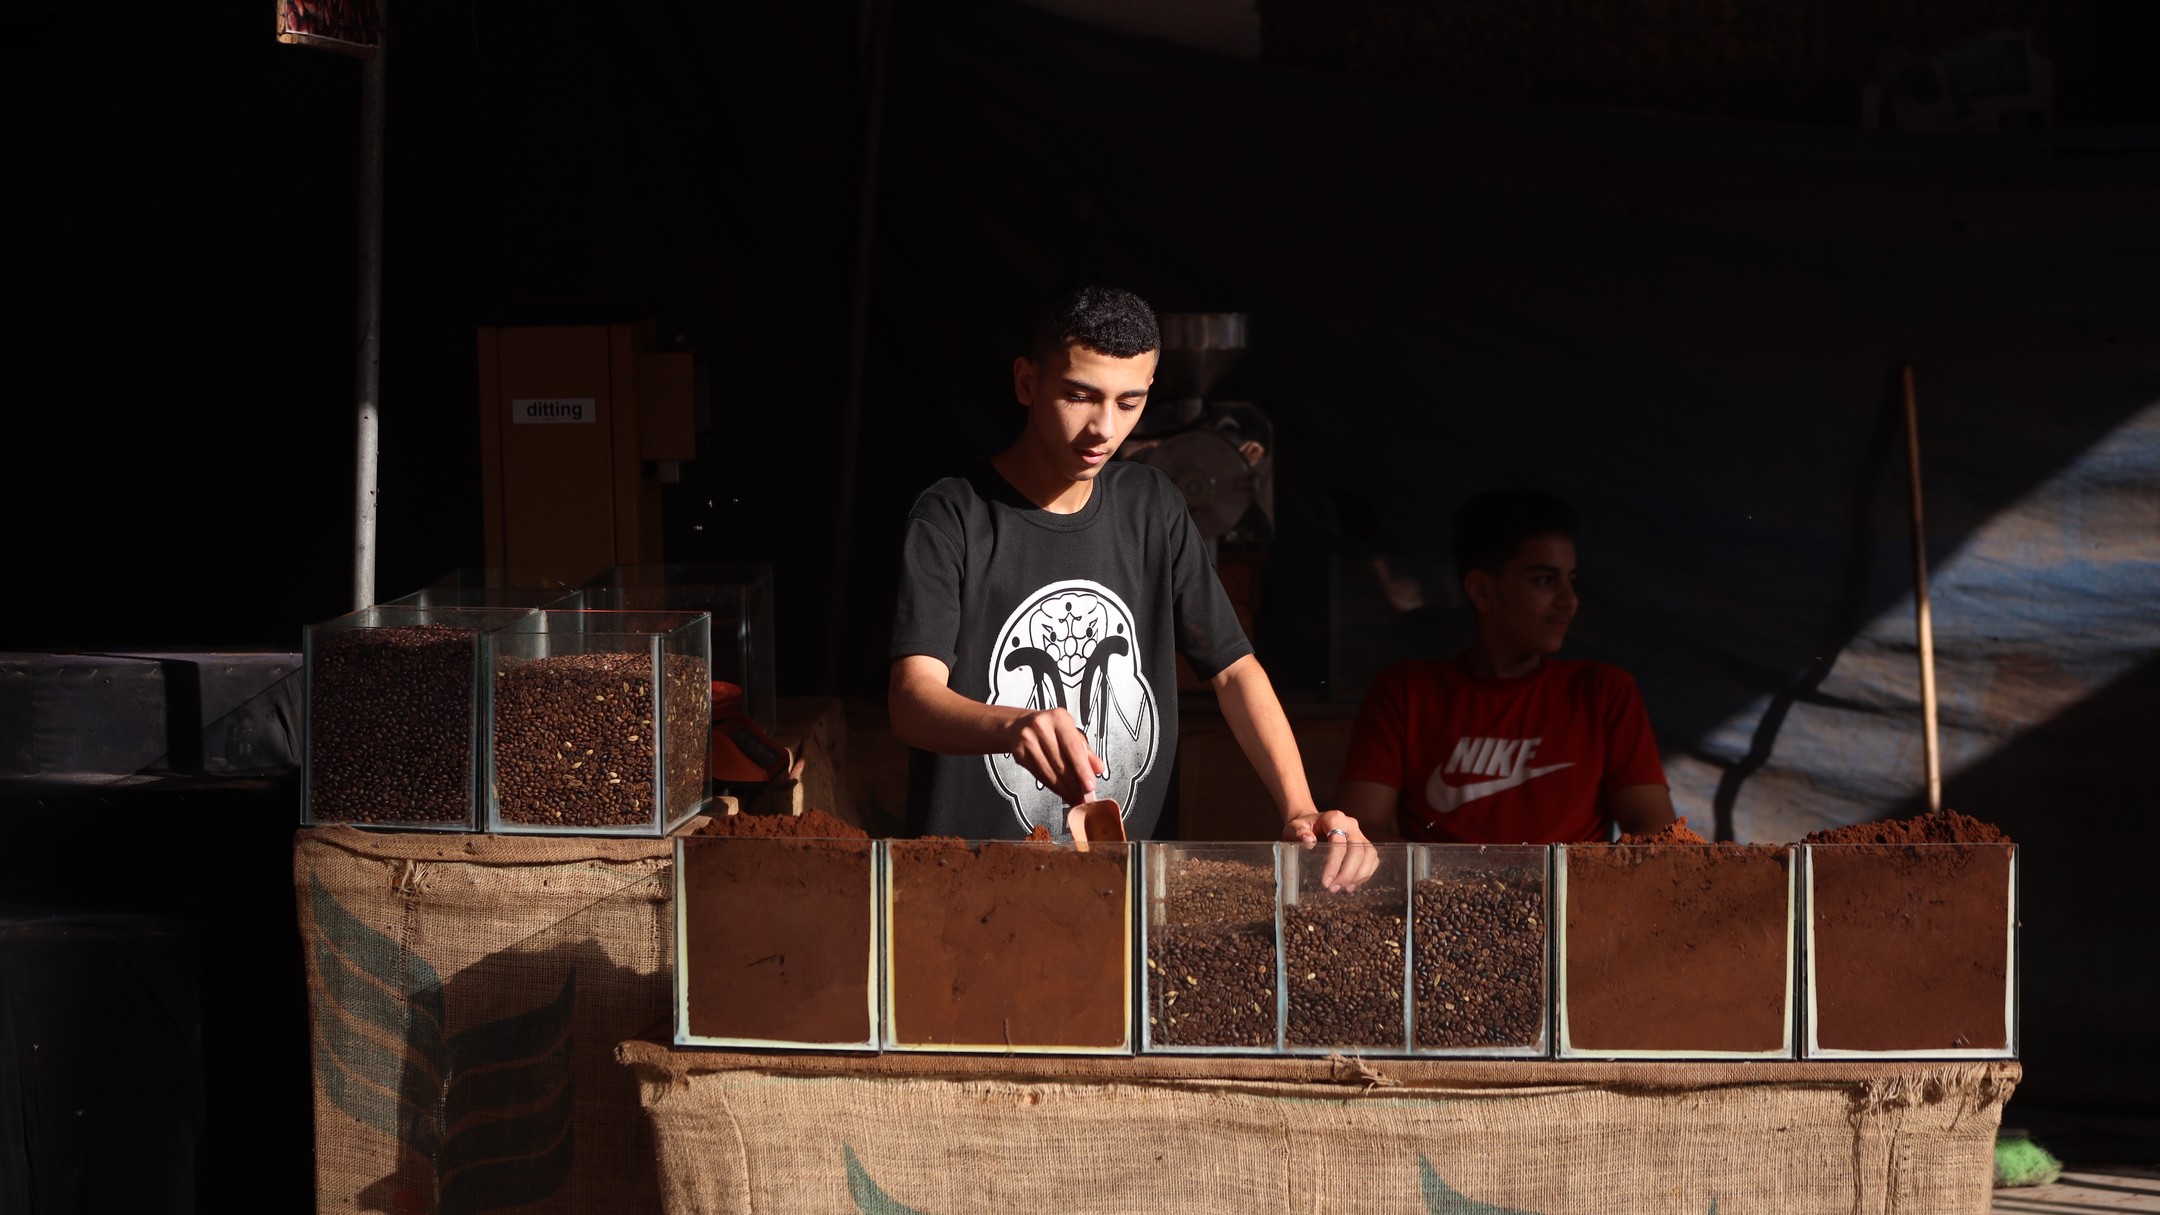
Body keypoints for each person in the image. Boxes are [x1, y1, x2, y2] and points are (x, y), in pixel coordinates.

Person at [887, 281, 1374, 887]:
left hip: (1125, 888)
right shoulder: (952, 516)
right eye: (1079, 396)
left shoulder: (1152, 507)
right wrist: (1010, 725)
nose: (1104, 428)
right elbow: (911, 701)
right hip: (964, 883)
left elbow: (1234, 670)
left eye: (1129, 401)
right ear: (1026, 381)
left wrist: (1299, 807)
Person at [1334, 490, 1675, 843]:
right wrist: (1452, 875)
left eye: (1570, 581)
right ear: (1481, 591)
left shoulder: (1604, 692)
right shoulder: (1406, 692)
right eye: (1545, 580)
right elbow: (1357, 830)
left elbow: (1656, 829)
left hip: (1575, 882)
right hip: (1437, 883)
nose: (1569, 601)